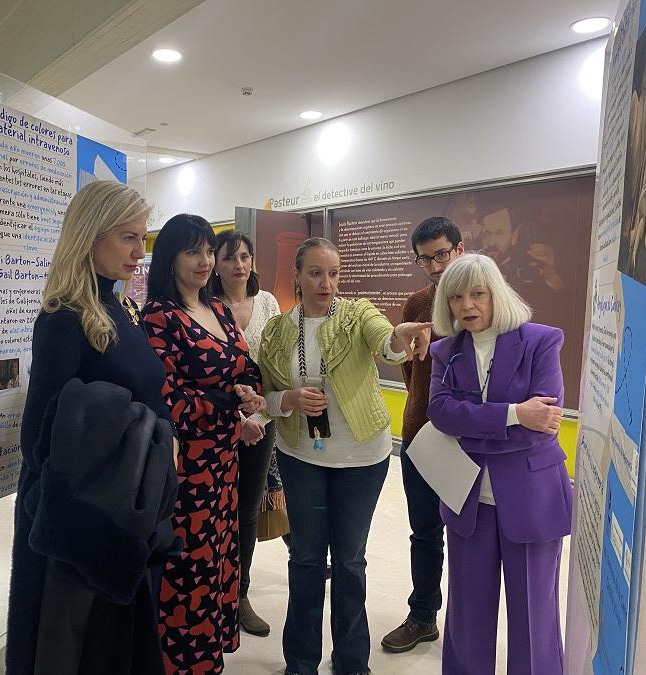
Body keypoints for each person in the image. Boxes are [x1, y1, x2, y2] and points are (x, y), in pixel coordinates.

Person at [6, 180, 178, 675]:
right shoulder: (64, 317)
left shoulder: (117, 308)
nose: (138, 252)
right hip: (85, 524)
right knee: (83, 650)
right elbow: (39, 435)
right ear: (90, 235)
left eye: (142, 238)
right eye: (127, 237)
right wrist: (148, 433)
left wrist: (159, 433)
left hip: (122, 513)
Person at [258, 237, 432, 675]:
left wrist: (400, 336)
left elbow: (385, 342)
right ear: (296, 276)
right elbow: (264, 395)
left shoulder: (357, 313)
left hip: (361, 457)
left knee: (350, 560)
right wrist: (289, 400)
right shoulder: (278, 331)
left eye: (333, 273)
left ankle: (353, 661)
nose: (326, 282)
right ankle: (300, 661)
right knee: (306, 558)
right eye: (315, 272)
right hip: (301, 456)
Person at [428, 253, 571, 674]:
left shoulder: (541, 341)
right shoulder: (445, 351)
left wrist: (473, 422)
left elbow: (543, 422)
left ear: (497, 293)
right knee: (467, 616)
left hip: (531, 500)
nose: (467, 305)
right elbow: (440, 412)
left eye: (478, 294)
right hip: (468, 499)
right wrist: (513, 414)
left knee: (534, 618)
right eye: (456, 297)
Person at [143, 214, 265, 675]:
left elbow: (240, 367)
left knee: (217, 557)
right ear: (170, 257)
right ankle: (181, 663)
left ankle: (208, 656)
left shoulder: (217, 309)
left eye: (208, 251)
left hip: (224, 462)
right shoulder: (160, 314)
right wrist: (228, 409)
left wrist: (249, 390)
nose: (205, 261)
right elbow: (164, 394)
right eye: (193, 251)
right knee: (187, 565)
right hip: (187, 464)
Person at [381, 216, 463, 654]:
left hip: (472, 440)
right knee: (425, 530)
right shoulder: (416, 305)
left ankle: (469, 618)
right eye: (424, 258)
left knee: (473, 531)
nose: (433, 266)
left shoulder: (483, 302)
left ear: (459, 250)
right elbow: (409, 366)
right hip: (420, 433)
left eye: (440, 255)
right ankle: (423, 615)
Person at [210, 229, 282, 637]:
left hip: (263, 423)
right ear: (215, 265)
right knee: (214, 507)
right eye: (229, 257)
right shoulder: (205, 306)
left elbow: (274, 365)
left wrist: (265, 412)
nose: (239, 264)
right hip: (216, 424)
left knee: (248, 510)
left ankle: (239, 595)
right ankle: (212, 589)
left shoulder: (268, 302)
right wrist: (238, 419)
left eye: (245, 257)